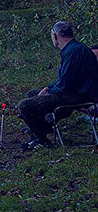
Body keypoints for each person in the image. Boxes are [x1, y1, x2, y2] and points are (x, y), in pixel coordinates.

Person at [18, 21, 98, 149]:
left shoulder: (71, 52)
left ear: (55, 36)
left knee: (25, 105)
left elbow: (64, 86)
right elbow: (66, 80)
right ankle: (42, 127)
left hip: (77, 96)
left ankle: (41, 139)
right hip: (81, 93)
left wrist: (49, 90)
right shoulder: (79, 47)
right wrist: (48, 88)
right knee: (32, 94)